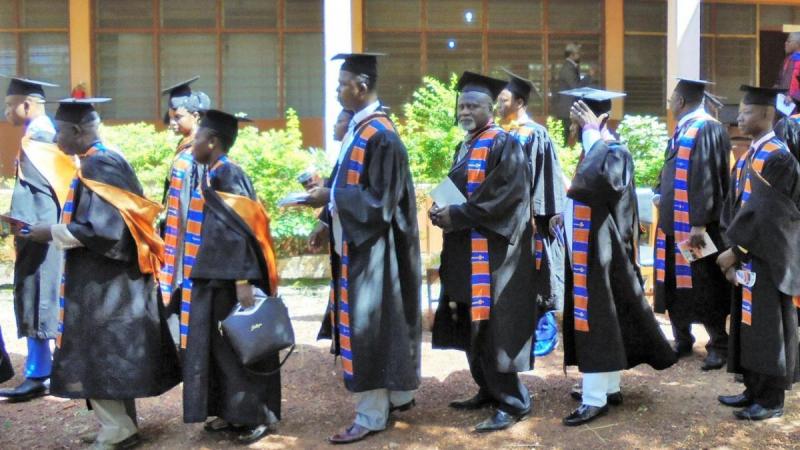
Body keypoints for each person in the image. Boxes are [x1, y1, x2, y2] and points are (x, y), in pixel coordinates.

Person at [25, 98, 180, 449]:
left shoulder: (99, 165)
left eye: (60, 132)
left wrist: (50, 231)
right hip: (113, 276)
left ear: (77, 130)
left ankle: (117, 429)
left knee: (98, 351)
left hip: (107, 281)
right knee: (108, 351)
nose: (56, 139)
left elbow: (104, 230)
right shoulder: (104, 159)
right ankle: (119, 423)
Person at [304, 53, 422, 445]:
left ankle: (371, 414)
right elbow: (344, 180)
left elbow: (379, 202)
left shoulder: (381, 135)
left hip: (376, 250)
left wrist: (330, 196)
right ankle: (396, 397)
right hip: (359, 243)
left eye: (342, 84)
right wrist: (325, 220)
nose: (337, 90)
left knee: (368, 327)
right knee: (379, 324)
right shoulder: (360, 129)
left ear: (362, 86)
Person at [550, 88, 677, 426]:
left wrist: (592, 135)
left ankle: (594, 400)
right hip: (592, 249)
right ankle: (607, 388)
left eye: (581, 120)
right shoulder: (596, 150)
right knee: (602, 318)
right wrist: (564, 214)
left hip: (605, 253)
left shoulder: (613, 151)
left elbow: (598, 186)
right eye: (574, 120)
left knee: (598, 320)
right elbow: (583, 195)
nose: (574, 127)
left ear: (601, 119)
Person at [430, 71, 534, 432]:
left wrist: (457, 215)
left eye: (473, 106)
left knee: (493, 328)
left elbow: (504, 199)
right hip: (466, 252)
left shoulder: (505, 144)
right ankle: (488, 389)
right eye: (462, 106)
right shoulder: (466, 145)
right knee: (472, 325)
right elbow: (458, 190)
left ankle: (514, 401)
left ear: (490, 109)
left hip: (493, 255)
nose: (465, 111)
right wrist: (440, 209)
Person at [180, 109, 281, 444]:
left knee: (243, 348)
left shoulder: (228, 174)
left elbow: (241, 232)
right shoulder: (214, 173)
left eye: (197, 138)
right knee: (221, 351)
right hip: (214, 277)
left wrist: (242, 282)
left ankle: (256, 415)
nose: (192, 144)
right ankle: (231, 411)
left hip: (233, 279)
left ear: (212, 141)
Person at [716, 85, 800, 421]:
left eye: (747, 111)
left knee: (769, 327)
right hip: (748, 254)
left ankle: (771, 399)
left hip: (769, 258)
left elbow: (770, 215)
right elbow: (733, 206)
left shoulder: (778, 157)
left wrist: (735, 251)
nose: (739, 117)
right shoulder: (748, 155)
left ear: (766, 114)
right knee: (748, 323)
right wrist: (730, 247)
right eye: (740, 111)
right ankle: (752, 388)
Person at [0, 76, 75, 402]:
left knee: (39, 298)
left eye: (9, 104)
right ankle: (47, 370)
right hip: (51, 232)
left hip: (41, 236)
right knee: (44, 298)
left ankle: (39, 374)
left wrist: (22, 226)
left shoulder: (40, 141)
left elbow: (39, 197)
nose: (6, 111)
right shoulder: (46, 137)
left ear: (27, 105)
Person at [652, 79, 732, 370]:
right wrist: (660, 191)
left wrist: (699, 223)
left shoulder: (706, 128)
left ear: (681, 102)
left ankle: (719, 345)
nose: (670, 104)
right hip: (674, 226)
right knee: (675, 283)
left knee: (704, 282)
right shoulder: (682, 129)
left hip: (695, 229)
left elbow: (708, 177)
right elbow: (670, 168)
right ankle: (682, 339)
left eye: (672, 99)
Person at [497, 68, 566, 357]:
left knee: (537, 276)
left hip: (529, 223)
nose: (498, 105)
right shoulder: (501, 133)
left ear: (519, 102)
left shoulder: (535, 134)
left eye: (503, 100)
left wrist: (537, 217)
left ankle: (543, 333)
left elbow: (545, 178)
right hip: (505, 222)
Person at [157, 77, 211, 343]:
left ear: (196, 116)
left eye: (178, 117)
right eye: (171, 118)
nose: (172, 123)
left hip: (191, 240)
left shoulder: (196, 156)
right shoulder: (186, 150)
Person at [308, 109, 353, 253]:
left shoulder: (356, 153)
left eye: (340, 121)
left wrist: (328, 193)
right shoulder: (344, 152)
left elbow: (347, 192)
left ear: (352, 125)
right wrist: (323, 224)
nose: (334, 126)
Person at [553, 43, 589, 143]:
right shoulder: (568, 68)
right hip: (567, 110)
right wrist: (588, 76)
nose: (580, 56)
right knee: (564, 140)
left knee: (567, 139)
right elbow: (576, 87)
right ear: (572, 55)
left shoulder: (570, 67)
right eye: (578, 54)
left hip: (569, 109)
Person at [776, 32, 800, 109]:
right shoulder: (787, 60)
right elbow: (779, 81)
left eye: (788, 41)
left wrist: (794, 97)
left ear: (797, 43)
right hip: (784, 104)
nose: (785, 43)